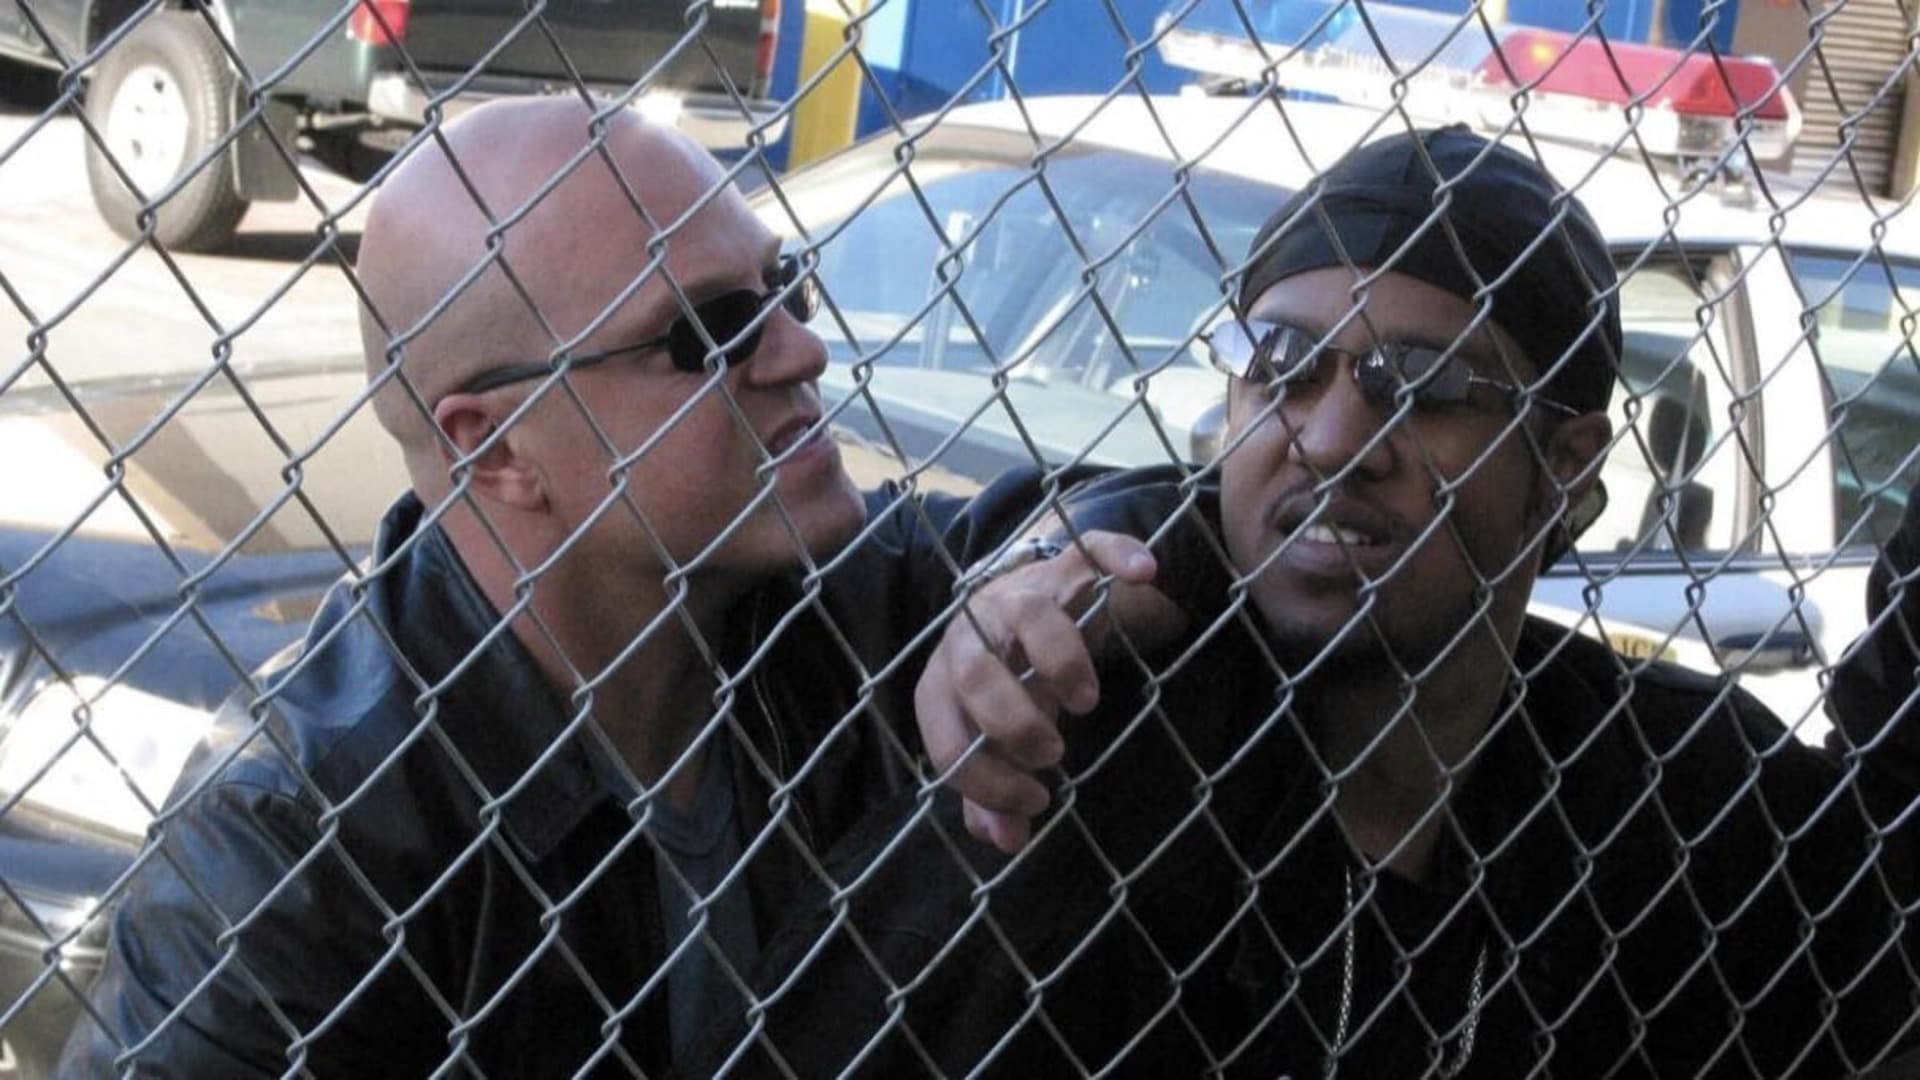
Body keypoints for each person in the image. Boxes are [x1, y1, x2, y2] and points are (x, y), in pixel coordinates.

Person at [675, 125, 1920, 1077]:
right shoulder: (1083, 753)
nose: (1331, 437)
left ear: (1569, 462)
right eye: (1279, 364)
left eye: (1423, 387)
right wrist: (1098, 539)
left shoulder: (1674, 797)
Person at [57, 98, 1177, 1076]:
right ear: (497, 450)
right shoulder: (299, 842)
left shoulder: (813, 596)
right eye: (710, 332)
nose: (800, 351)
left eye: (784, 286)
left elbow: (1156, 512)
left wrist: (1028, 579)